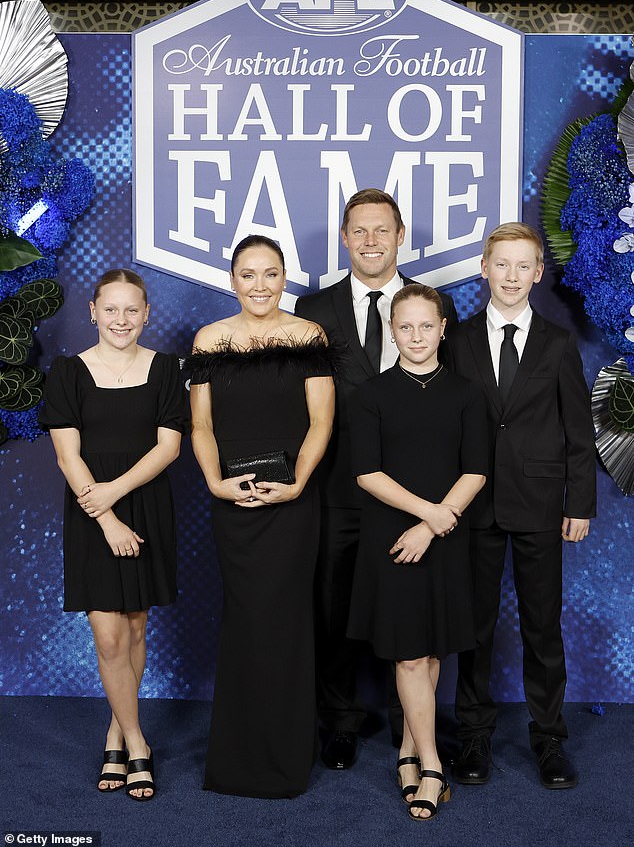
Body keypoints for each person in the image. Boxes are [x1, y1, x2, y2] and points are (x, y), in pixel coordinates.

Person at [295, 188, 459, 769]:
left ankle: (410, 727)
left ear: (400, 234)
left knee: (412, 608)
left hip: (414, 494)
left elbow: (446, 405)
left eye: (381, 230)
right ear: (345, 238)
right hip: (338, 485)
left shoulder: (433, 306)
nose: (370, 241)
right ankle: (339, 719)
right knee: (335, 605)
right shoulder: (313, 311)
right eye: (359, 231)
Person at [448, 223, 596, 789]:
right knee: (475, 627)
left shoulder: (557, 344)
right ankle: (474, 737)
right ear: (484, 269)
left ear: (538, 273)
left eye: (522, 267)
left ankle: (549, 738)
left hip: (539, 502)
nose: (510, 277)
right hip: (474, 504)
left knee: (542, 627)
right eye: (500, 265)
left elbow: (577, 432)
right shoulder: (456, 340)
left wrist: (578, 503)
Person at [188, 235, 336, 798]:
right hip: (231, 501)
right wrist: (215, 484)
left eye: (270, 274)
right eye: (248, 274)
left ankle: (286, 758)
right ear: (232, 279)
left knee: (287, 620)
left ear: (284, 279)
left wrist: (296, 482)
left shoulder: (308, 337)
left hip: (293, 502)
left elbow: (321, 420)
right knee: (245, 621)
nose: (259, 285)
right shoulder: (209, 340)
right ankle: (236, 759)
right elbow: (201, 427)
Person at [39, 268, 187, 801]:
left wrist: (114, 495)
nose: (121, 320)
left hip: (144, 502)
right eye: (111, 309)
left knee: (136, 626)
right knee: (107, 634)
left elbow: (169, 447)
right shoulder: (67, 372)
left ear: (147, 314)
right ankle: (138, 744)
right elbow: (66, 454)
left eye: (132, 310)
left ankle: (115, 731)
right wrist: (103, 514)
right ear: (93, 312)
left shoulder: (167, 369)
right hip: (90, 509)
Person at [347, 283, 487, 820]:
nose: (417, 336)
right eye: (405, 327)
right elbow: (367, 473)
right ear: (391, 331)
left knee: (430, 653)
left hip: (445, 539)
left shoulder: (468, 394)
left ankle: (408, 747)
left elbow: (475, 469)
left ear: (443, 328)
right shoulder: (372, 396)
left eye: (426, 326)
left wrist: (434, 523)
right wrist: (426, 515)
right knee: (408, 652)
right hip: (393, 538)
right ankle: (431, 763)